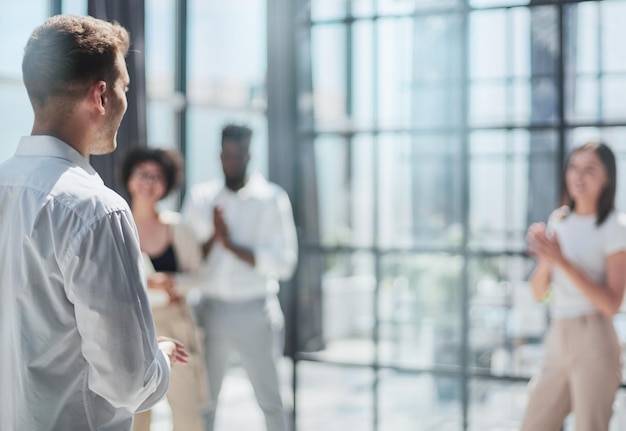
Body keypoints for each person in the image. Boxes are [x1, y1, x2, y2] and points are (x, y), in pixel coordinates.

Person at [0, 15, 187, 431]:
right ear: (100, 96)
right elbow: (128, 383)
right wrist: (156, 357)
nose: (125, 102)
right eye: (124, 89)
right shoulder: (97, 209)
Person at [181, 124, 298, 431]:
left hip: (255, 312)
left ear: (249, 156)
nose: (230, 162)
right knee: (204, 402)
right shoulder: (201, 197)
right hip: (210, 310)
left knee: (271, 402)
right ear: (219, 154)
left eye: (237, 155)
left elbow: (285, 263)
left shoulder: (272, 199)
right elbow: (186, 260)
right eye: (225, 154)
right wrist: (214, 237)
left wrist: (232, 245)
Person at [521, 142, 626, 431]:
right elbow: (538, 292)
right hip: (557, 334)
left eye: (589, 169)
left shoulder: (616, 227)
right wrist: (546, 260)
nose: (578, 176)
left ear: (607, 177)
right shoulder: (560, 220)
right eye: (574, 167)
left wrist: (562, 260)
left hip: (594, 336)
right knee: (534, 424)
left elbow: (611, 303)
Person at [120, 147, 209, 431]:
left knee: (187, 413)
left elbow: (199, 275)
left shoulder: (177, 228)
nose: (148, 181)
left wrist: (173, 283)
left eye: (156, 176)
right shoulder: (115, 224)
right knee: (132, 414)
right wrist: (146, 283)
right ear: (129, 179)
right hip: (129, 326)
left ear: (166, 184)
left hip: (174, 324)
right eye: (142, 174)